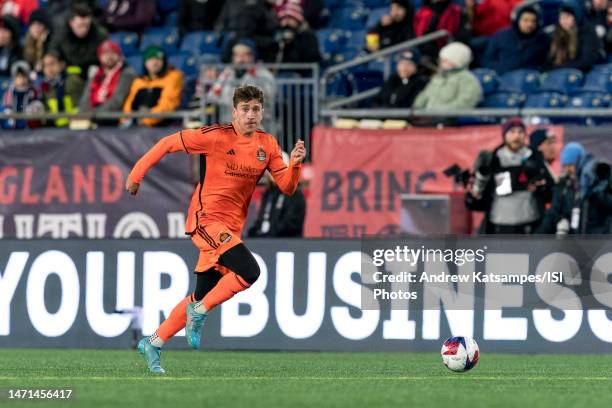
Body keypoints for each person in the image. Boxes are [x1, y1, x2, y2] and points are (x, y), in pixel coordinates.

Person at [126, 85, 306, 373]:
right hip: (206, 220)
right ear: (234, 111)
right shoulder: (213, 137)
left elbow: (287, 187)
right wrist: (136, 175)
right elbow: (165, 144)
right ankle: (199, 313)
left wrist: (294, 164)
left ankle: (153, 342)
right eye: (245, 109)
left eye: (256, 109)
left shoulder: (268, 145)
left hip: (231, 228)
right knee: (250, 271)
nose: (251, 114)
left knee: (201, 293)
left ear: (262, 112)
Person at [465, 118, 553, 234]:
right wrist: (475, 192)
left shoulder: (535, 158)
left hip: (529, 225)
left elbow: (550, 191)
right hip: (499, 226)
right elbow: (477, 201)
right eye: (512, 132)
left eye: (520, 132)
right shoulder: (493, 159)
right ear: (504, 135)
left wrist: (541, 187)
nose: (516, 136)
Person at [537, 142, 612, 235]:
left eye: (571, 165)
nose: (569, 169)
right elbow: (554, 212)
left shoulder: (597, 179)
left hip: (599, 239)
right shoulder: (565, 185)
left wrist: (597, 191)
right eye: (566, 165)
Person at [206, 40, 276, 134]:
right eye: (237, 56)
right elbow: (212, 95)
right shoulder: (227, 73)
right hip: (229, 124)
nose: (240, 59)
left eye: (244, 55)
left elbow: (266, 96)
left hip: (258, 125)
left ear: (252, 57)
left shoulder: (262, 74)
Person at [121, 45, 183, 127]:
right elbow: (128, 105)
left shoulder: (173, 77)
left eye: (158, 59)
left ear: (164, 61)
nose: (154, 63)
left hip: (161, 127)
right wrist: (125, 121)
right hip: (134, 126)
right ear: (145, 62)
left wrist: (145, 121)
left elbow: (167, 104)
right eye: (150, 59)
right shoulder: (139, 81)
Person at [480, 4, 550, 75]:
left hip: (529, 78)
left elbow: (546, 63)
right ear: (517, 20)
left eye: (533, 21)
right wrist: (500, 69)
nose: (529, 24)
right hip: (502, 77)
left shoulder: (543, 39)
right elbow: (487, 59)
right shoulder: (501, 36)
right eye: (525, 20)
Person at [248, 151, 306, 237]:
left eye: (278, 168)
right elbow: (262, 220)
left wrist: (269, 235)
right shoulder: (268, 193)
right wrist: (254, 233)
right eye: (271, 168)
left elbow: (291, 224)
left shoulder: (295, 193)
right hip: (265, 242)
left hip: (285, 244)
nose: (273, 172)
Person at [413, 42, 481, 111]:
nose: (440, 63)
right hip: (427, 116)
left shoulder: (468, 79)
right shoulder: (439, 76)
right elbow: (425, 94)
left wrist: (438, 111)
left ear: (456, 62)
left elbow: (465, 103)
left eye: (445, 60)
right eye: (441, 59)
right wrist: (416, 108)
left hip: (448, 118)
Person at [78, 40, 136, 122]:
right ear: (99, 56)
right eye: (105, 53)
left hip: (113, 119)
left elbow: (117, 101)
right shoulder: (96, 72)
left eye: (113, 53)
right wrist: (84, 113)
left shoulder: (126, 72)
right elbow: (85, 97)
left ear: (119, 55)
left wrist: (94, 115)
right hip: (92, 117)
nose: (109, 56)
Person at [49, 4, 108, 77]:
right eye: (80, 26)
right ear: (71, 23)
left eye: (87, 25)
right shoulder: (61, 34)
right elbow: (53, 52)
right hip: (71, 69)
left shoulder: (100, 35)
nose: (84, 30)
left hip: (93, 71)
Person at [546, 1, 603, 72]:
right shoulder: (557, 33)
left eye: (568, 16)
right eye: (561, 17)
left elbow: (586, 61)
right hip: (563, 74)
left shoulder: (588, 32)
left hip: (584, 74)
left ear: (576, 16)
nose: (564, 20)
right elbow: (550, 60)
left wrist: (557, 68)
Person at [39, 50, 85, 127]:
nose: (49, 68)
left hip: (75, 126)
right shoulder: (43, 86)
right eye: (45, 65)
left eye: (52, 64)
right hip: (53, 128)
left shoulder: (73, 80)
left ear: (61, 64)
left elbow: (84, 103)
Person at [1, 60, 43, 129]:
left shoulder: (34, 91)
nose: (21, 79)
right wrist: (9, 112)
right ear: (14, 78)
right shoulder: (9, 92)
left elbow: (37, 104)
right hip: (12, 126)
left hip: (29, 126)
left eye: (24, 76)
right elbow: (6, 108)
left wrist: (34, 108)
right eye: (18, 77)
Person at [23, 8, 52, 76]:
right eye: (33, 24)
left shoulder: (50, 43)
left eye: (39, 24)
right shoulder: (24, 43)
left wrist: (43, 43)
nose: (36, 27)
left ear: (45, 27)